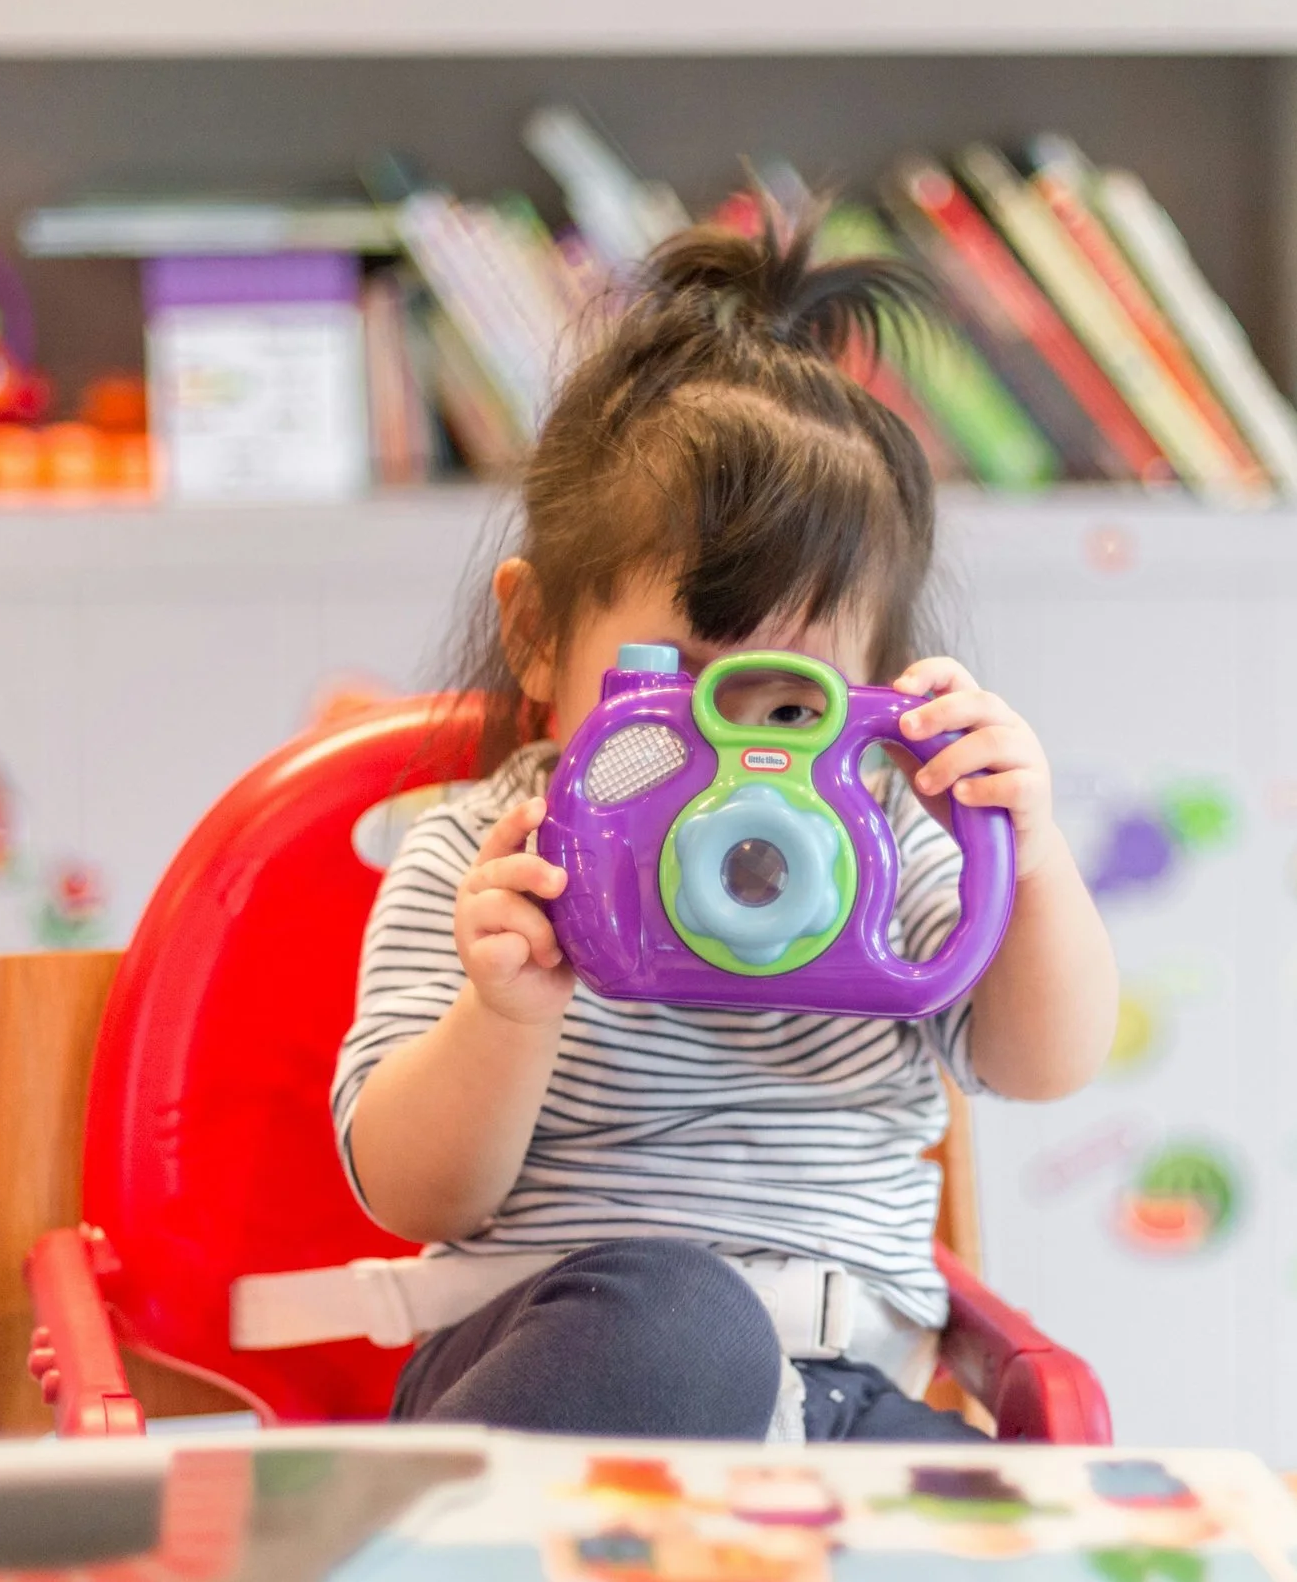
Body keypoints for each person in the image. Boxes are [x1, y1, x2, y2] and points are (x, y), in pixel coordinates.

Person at [330, 202, 1118, 1443]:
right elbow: (409, 1186)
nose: (733, 755)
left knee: (1011, 1525)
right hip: (575, 1367)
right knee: (679, 1322)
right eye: (681, 682)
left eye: (786, 699)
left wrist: (1024, 847)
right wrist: (504, 1012)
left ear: (873, 689)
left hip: (846, 1391)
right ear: (540, 634)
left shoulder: (886, 845)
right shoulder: (489, 858)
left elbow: (1044, 1059)